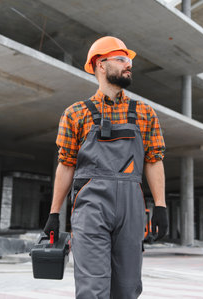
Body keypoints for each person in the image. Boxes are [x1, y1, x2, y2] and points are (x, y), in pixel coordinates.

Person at [43, 36, 168, 299]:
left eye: (129, 60)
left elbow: (154, 160)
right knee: (92, 287)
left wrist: (160, 205)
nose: (128, 65)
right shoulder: (76, 113)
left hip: (131, 205)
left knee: (127, 286)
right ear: (101, 64)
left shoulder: (145, 113)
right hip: (90, 206)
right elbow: (65, 165)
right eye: (121, 59)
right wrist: (54, 213)